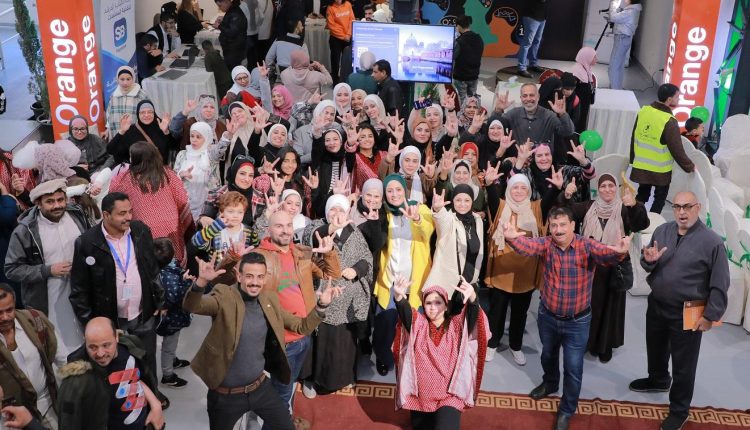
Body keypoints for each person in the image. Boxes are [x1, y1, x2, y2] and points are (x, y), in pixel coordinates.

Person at [502, 206, 631, 430]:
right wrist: (512, 239)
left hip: (577, 322)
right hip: (548, 316)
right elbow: (527, 247)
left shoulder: (586, 245)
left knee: (573, 367)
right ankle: (550, 383)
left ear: (573, 225)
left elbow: (607, 254)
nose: (558, 230)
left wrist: (620, 252)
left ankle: (567, 409)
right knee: (548, 356)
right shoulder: (546, 244)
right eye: (554, 225)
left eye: (563, 224)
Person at [183, 251, 341, 430]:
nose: (255, 282)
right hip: (226, 396)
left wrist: (321, 306)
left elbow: (301, 327)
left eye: (260, 277)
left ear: (265, 278)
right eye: (249, 276)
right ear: (239, 276)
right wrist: (201, 283)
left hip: (259, 389)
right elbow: (192, 306)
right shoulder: (224, 294)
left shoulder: (269, 299)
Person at [628, 191, 729, 430]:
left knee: (684, 364)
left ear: (698, 207)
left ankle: (679, 409)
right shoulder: (662, 231)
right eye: (677, 207)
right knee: (655, 348)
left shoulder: (712, 242)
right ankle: (658, 379)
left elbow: (720, 283)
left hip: (688, 311)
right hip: (657, 303)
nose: (682, 212)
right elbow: (648, 262)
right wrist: (648, 261)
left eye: (687, 207)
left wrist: (710, 316)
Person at [70, 192, 166, 381]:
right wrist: (91, 324)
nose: (128, 217)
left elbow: (152, 268)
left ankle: (151, 394)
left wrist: (160, 299)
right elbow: (79, 289)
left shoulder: (141, 231)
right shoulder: (87, 243)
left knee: (148, 364)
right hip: (111, 321)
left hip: (143, 315)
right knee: (117, 370)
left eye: (130, 211)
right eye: (122, 213)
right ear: (106, 215)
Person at [254, 210, 341, 409]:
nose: (285, 231)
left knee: (288, 383)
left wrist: (329, 252)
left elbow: (332, 274)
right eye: (279, 226)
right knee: (282, 392)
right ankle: (278, 419)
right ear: (268, 229)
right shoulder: (258, 257)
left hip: (304, 333)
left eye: (288, 225)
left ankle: (275, 414)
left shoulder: (301, 252)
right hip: (281, 340)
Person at [560, 174, 649, 363]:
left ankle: (604, 346)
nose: (607, 189)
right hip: (590, 268)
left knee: (610, 309)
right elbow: (565, 214)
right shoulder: (588, 206)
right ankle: (586, 342)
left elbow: (640, 224)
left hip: (614, 267)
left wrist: (634, 205)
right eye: (603, 186)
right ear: (598, 189)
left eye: (611, 185)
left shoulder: (624, 208)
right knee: (586, 308)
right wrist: (566, 195)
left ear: (616, 188)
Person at [392, 277, 489, 430]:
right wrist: (398, 297)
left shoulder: (456, 325)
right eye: (428, 303)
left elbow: (471, 317)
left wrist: (472, 298)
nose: (433, 308)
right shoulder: (418, 324)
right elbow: (405, 313)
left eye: (438, 303)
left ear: (446, 306)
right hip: (421, 396)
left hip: (449, 396)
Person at [5, 179, 89, 352]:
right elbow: (12, 269)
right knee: (58, 349)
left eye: (60, 200)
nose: (57, 205)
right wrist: (47, 271)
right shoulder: (25, 231)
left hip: (83, 296)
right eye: (50, 202)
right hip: (47, 302)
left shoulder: (77, 215)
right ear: (38, 203)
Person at [302, 194, 372, 396]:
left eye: (342, 210)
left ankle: (342, 378)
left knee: (342, 344)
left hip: (346, 298)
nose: (337, 214)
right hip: (321, 295)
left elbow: (366, 258)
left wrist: (356, 270)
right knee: (317, 342)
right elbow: (311, 239)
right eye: (333, 209)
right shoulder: (316, 226)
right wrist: (332, 228)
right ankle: (311, 380)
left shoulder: (354, 232)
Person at [372, 174, 434, 376]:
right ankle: (383, 357)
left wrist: (416, 219)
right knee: (385, 323)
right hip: (390, 280)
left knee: (415, 323)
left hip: (415, 281)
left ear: (405, 190)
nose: (394, 194)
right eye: (389, 191)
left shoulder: (420, 209)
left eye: (398, 189)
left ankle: (414, 358)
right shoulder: (384, 213)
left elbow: (428, 231)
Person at [57, 317, 165, 430]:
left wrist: (155, 404)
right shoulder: (81, 377)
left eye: (106, 345)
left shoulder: (130, 346)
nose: (100, 354)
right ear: (85, 341)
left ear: (116, 337)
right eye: (93, 347)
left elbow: (136, 377)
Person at [484, 174, 546, 364]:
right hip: (501, 271)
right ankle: (492, 344)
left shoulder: (536, 208)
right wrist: (489, 184)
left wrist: (560, 190)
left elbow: (551, 200)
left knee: (520, 313)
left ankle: (516, 346)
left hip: (525, 272)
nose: (518, 191)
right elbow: (492, 198)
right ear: (508, 190)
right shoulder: (502, 206)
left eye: (523, 188)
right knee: (497, 312)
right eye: (514, 187)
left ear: (529, 191)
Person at [108, 142, 193, 264]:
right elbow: (182, 199)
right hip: (171, 224)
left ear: (135, 158)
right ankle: (175, 274)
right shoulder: (167, 173)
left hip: (144, 226)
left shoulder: (124, 178)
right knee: (172, 256)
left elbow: (113, 198)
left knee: (150, 261)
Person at [0, 283, 66, 429]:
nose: (5, 317)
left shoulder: (36, 320)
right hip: (9, 418)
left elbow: (64, 360)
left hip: (47, 407)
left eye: (9, 310)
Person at [629, 83, 695, 214]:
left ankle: (634, 219)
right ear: (669, 99)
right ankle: (653, 223)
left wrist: (633, 159)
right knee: (659, 199)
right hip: (660, 170)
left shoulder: (644, 111)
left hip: (641, 165)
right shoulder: (669, 120)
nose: (679, 99)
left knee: (642, 195)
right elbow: (677, 149)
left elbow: (634, 137)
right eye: (677, 97)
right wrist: (689, 166)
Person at [423, 184, 484, 297]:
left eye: (467, 200)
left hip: (469, 284)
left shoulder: (477, 220)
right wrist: (438, 210)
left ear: (472, 202)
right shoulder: (449, 218)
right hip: (448, 286)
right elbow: (441, 221)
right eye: (458, 200)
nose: (462, 204)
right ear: (453, 201)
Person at [491, 83, 575, 155]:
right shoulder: (513, 114)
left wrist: (562, 114)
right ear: (521, 98)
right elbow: (493, 127)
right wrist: (498, 110)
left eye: (531, 95)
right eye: (525, 96)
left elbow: (568, 132)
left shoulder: (549, 116)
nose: (528, 99)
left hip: (542, 162)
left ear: (538, 97)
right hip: (517, 161)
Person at [152, 238, 192, 389]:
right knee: (169, 347)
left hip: (172, 318)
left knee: (171, 344)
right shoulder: (168, 276)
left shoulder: (162, 271)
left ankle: (173, 361)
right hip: (172, 320)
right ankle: (167, 375)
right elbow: (173, 298)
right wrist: (187, 282)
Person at [173, 121, 229, 220]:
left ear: (206, 138)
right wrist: (181, 174)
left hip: (207, 205)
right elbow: (173, 178)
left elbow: (220, 149)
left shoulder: (210, 155)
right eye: (192, 136)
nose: (194, 140)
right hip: (184, 204)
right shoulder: (182, 154)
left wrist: (229, 134)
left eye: (198, 137)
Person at [106, 100, 175, 165]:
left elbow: (174, 146)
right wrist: (122, 131)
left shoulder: (161, 127)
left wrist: (166, 132)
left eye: (150, 112)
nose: (146, 115)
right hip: (137, 171)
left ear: (154, 113)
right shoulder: (130, 130)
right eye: (142, 112)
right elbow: (110, 150)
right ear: (137, 114)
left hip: (159, 170)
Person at [606, 0, 642, 90]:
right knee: (619, 65)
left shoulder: (630, 11)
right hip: (625, 38)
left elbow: (613, 17)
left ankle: (614, 90)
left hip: (621, 38)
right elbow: (619, 19)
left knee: (613, 66)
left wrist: (613, 4)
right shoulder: (634, 10)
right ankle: (617, 88)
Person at [105, 66, 149, 138]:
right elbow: (109, 114)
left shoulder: (141, 95)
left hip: (135, 135)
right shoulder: (114, 95)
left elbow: (148, 115)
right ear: (117, 80)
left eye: (128, 79)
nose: (125, 83)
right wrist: (107, 129)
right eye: (122, 79)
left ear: (133, 79)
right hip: (117, 134)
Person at [453, 15, 484, 103]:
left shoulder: (459, 41)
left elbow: (453, 56)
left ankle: (463, 112)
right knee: (472, 99)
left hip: (461, 76)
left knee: (462, 100)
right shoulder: (478, 38)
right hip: (474, 75)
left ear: (458, 26)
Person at [568, 47, 597, 133]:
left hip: (583, 106)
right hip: (578, 108)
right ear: (587, 57)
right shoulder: (577, 72)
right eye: (594, 57)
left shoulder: (586, 69)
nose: (596, 59)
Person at [516, 0, 548, 78]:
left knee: (537, 41)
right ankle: (521, 68)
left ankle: (533, 64)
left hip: (542, 16)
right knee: (527, 43)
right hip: (531, 16)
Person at [215, 0, 249, 70]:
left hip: (234, 50)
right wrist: (223, 20)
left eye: (220, 6)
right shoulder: (233, 9)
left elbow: (232, 32)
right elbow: (232, 24)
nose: (219, 8)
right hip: (233, 49)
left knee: (234, 71)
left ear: (226, 1)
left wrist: (219, 26)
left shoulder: (235, 12)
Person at [327, 0, 355, 85]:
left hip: (348, 37)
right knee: (335, 61)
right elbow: (331, 26)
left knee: (348, 60)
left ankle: (348, 80)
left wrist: (348, 34)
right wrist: (343, 36)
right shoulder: (330, 8)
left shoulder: (348, 4)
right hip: (335, 39)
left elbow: (352, 20)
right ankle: (335, 82)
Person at [239, 0, 262, 69]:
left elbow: (240, 21)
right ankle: (254, 70)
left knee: (247, 56)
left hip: (247, 34)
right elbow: (262, 17)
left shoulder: (242, 6)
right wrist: (257, 26)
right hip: (256, 33)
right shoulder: (256, 3)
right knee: (254, 55)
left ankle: (248, 71)